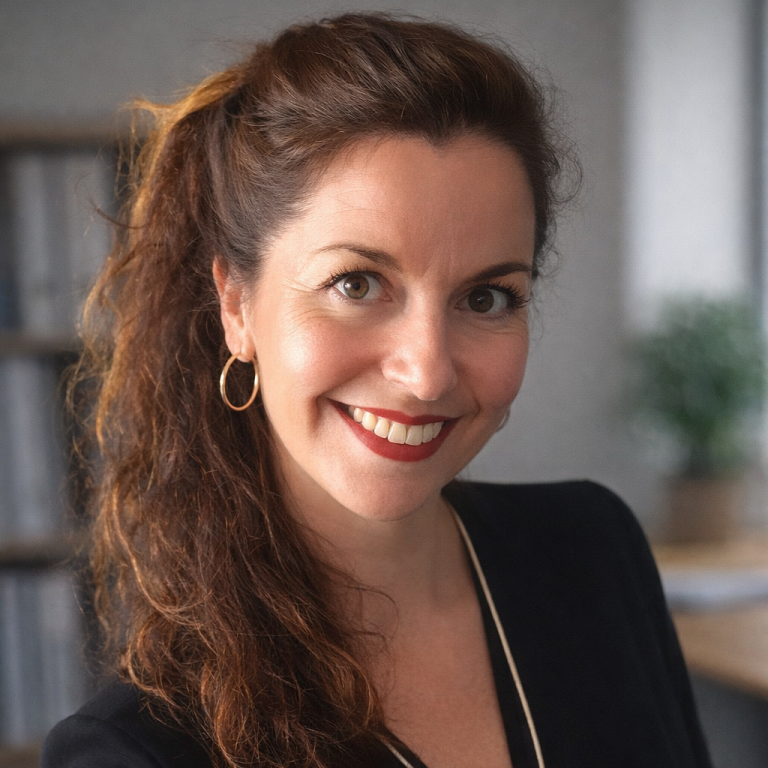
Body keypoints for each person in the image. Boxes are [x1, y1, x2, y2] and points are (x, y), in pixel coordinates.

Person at [42, 12, 712, 768]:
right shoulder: (134, 751)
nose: (427, 373)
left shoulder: (592, 550)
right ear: (236, 306)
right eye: (356, 284)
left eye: (486, 297)